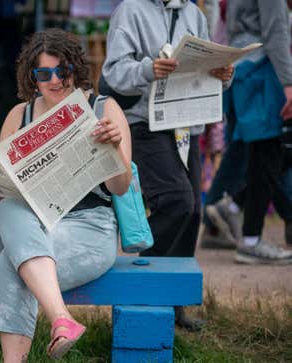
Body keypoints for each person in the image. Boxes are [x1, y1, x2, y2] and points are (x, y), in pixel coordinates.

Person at [0, 29, 132, 362]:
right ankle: (61, 319)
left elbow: (120, 188)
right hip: (35, 225)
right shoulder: (19, 115)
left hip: (90, 228)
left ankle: (42, 335)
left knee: (14, 263)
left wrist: (116, 146)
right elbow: (2, 187)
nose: (55, 81)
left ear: (75, 70)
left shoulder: (103, 108)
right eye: (44, 73)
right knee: (8, 208)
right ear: (32, 77)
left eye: (62, 71)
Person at [101, 0, 234, 331]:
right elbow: (112, 73)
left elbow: (207, 70)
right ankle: (137, 286)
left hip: (186, 124)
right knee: (177, 201)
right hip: (143, 124)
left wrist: (223, 74)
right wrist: (149, 70)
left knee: (193, 214)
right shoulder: (130, 10)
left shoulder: (194, 13)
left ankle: (172, 307)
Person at [219, 0, 292, 264]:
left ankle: (235, 206)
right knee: (268, 153)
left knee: (264, 155)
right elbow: (276, 33)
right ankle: (251, 240)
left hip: (244, 68)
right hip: (262, 70)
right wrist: (289, 82)